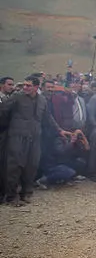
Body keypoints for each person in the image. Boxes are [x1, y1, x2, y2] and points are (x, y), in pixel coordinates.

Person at [0, 76, 70, 206]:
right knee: (14, 167)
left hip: (35, 137)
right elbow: (3, 112)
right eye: (25, 85)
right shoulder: (16, 98)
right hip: (17, 137)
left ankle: (26, 193)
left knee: (31, 166)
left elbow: (48, 118)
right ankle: (11, 197)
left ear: (36, 87)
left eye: (29, 85)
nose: (25, 87)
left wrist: (60, 130)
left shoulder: (42, 100)